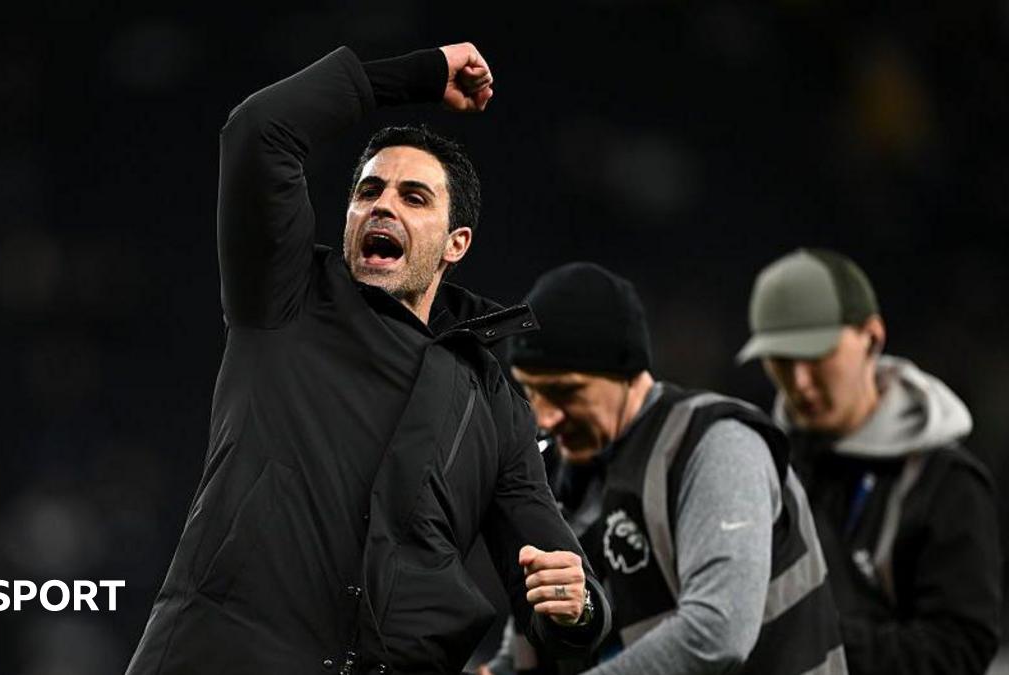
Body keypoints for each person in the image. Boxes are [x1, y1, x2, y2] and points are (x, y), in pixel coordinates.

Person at [125, 43, 611, 675]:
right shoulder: (286, 293)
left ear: (454, 243)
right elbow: (259, 129)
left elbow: (552, 576)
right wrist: (417, 75)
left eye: (414, 197)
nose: (383, 205)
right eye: (369, 190)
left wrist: (580, 608)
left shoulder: (493, 401)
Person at [507, 262, 846, 675]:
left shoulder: (717, 446)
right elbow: (526, 649)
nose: (546, 417)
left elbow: (717, 631)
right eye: (531, 391)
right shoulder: (566, 477)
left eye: (566, 392)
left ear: (627, 371)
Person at [737, 248, 1001, 675]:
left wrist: (811, 637)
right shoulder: (756, 467)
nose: (800, 383)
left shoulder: (945, 481)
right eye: (782, 361)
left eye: (817, 355)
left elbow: (960, 649)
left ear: (872, 337)